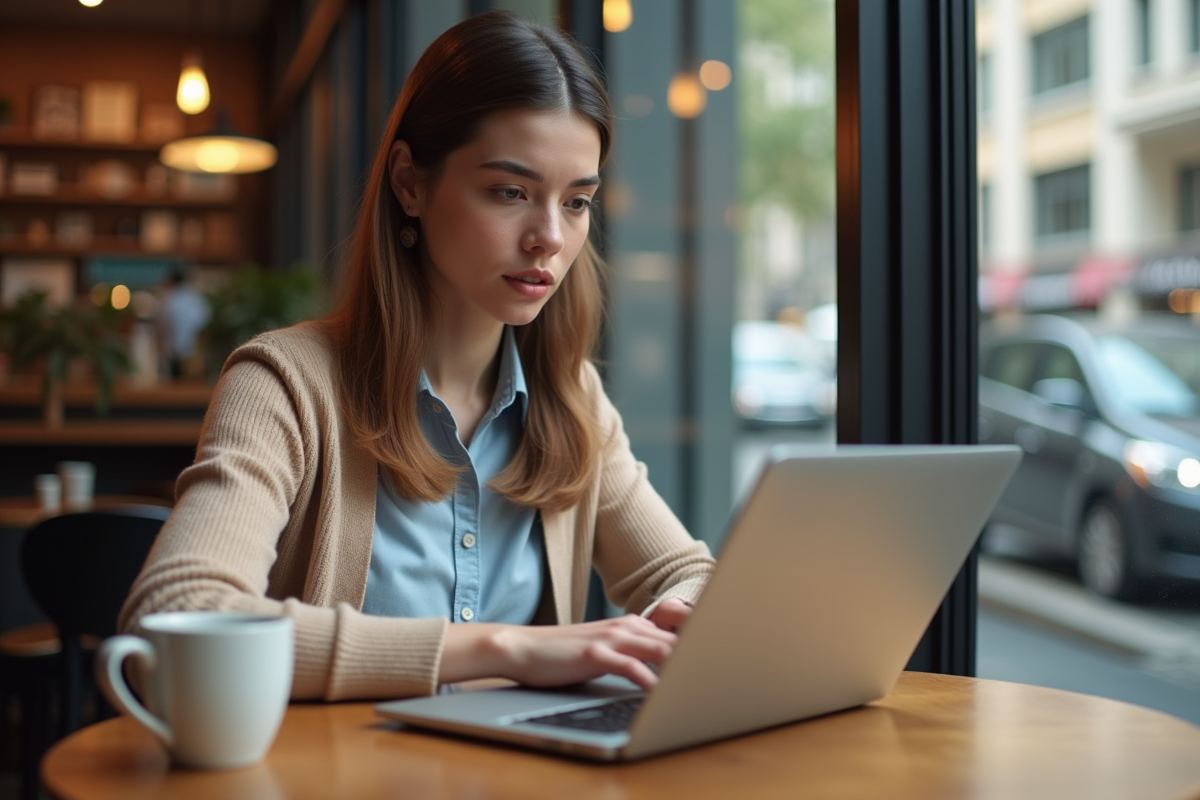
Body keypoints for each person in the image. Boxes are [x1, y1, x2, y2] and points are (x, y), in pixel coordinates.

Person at [120, 11, 715, 702]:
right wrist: (507, 647)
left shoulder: (570, 396)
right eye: (511, 192)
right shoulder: (284, 384)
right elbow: (173, 621)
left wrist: (691, 616)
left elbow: (685, 574)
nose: (549, 238)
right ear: (410, 182)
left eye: (577, 202)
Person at [156, 269, 210, 379]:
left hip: (173, 353)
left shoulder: (168, 300)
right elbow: (205, 319)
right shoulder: (195, 298)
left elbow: (161, 326)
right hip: (193, 352)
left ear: (171, 281)